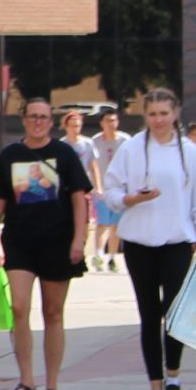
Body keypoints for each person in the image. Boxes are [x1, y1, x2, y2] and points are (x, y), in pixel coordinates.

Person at [112, 88, 196, 390]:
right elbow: (111, 191)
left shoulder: (189, 152)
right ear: (145, 116)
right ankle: (154, 386)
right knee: (148, 314)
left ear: (175, 114)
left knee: (175, 314)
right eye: (152, 114)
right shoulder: (131, 149)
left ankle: (174, 379)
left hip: (176, 242)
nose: (158, 120)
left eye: (164, 113)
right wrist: (131, 198)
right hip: (140, 242)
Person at [0, 98, 94, 390]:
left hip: (57, 241)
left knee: (53, 312)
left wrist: (80, 239)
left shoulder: (64, 154)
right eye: (33, 116)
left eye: (44, 117)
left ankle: (53, 385)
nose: (38, 121)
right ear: (24, 120)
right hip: (19, 241)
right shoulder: (10, 155)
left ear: (52, 122)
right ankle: (26, 380)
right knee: (19, 308)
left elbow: (79, 198)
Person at [88, 106, 127, 272]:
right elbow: (92, 165)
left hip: (119, 189)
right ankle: (98, 254)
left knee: (116, 226)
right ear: (101, 123)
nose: (111, 124)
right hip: (101, 188)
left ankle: (112, 257)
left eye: (114, 120)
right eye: (108, 121)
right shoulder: (94, 142)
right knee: (102, 223)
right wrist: (96, 186)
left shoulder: (125, 141)